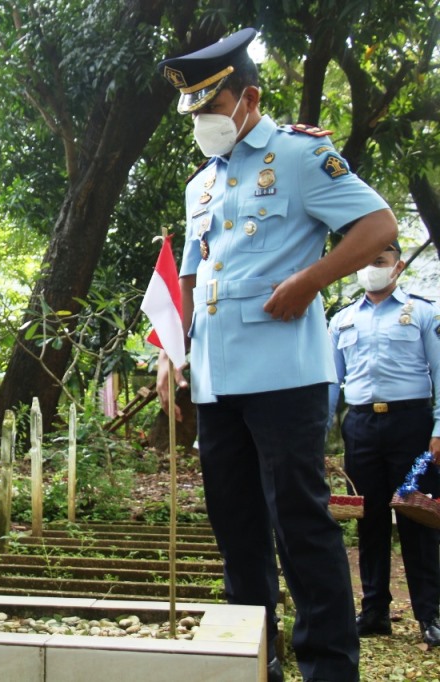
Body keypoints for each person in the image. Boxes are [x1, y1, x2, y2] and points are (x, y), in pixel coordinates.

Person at [155, 28, 398, 682]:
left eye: (211, 108)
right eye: (194, 114)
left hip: (285, 376)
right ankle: (251, 659)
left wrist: (309, 281)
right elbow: (190, 277)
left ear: (248, 96)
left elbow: (378, 226)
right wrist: (171, 353)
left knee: (299, 524)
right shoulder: (199, 185)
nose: (202, 123)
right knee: (236, 529)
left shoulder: (296, 157)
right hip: (214, 380)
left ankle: (328, 667)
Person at [328, 240, 440, 648]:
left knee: (417, 515)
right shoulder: (341, 321)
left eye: (380, 261)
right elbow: (330, 381)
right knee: (368, 517)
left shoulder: (423, 313)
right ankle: (374, 610)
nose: (370, 268)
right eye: (365, 261)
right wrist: (321, 432)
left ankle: (429, 613)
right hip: (359, 426)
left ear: (398, 266)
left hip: (412, 424)